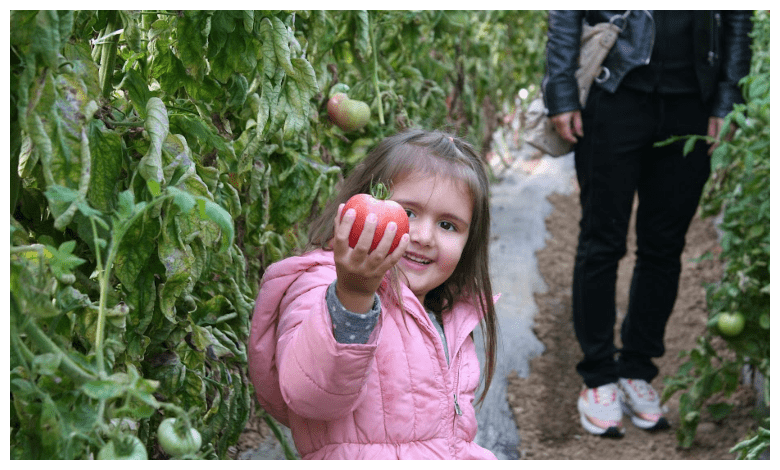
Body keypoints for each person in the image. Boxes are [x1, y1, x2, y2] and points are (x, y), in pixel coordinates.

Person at [543, 10, 753, 438]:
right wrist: (562, 90)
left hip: (693, 102)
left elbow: (737, 15)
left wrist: (729, 96)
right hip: (615, 92)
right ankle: (599, 376)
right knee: (602, 240)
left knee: (663, 246)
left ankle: (637, 370)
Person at [247, 129, 499, 459]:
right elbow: (309, 394)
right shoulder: (324, 285)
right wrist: (352, 295)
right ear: (363, 208)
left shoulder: (448, 317)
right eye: (408, 213)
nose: (424, 236)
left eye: (448, 225)